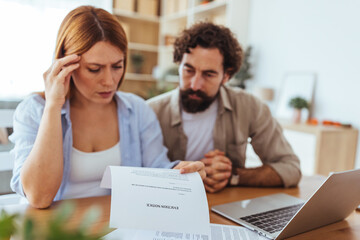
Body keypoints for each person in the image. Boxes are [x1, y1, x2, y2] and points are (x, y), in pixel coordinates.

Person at [9, 6, 205, 209]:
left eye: (117, 66)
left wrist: (181, 173)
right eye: (95, 69)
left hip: (113, 227)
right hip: (56, 229)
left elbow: (156, 171)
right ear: (66, 65)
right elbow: (38, 197)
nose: (109, 81)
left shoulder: (137, 110)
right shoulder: (35, 110)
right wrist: (53, 105)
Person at [147, 22, 301, 193]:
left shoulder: (250, 107)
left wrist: (233, 175)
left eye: (208, 74)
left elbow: (291, 169)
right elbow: (134, 172)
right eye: (188, 70)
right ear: (179, 65)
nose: (195, 84)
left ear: (226, 76)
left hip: (224, 207)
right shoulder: (150, 112)